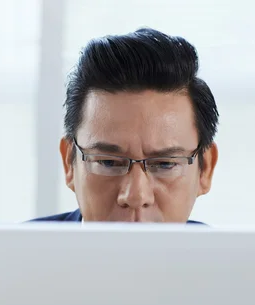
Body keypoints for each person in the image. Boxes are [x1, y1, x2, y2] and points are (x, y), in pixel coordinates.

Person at [32, 28, 219, 223]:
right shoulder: (13, 252)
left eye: (165, 164)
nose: (136, 196)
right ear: (69, 163)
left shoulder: (231, 254)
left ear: (205, 169)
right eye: (108, 162)